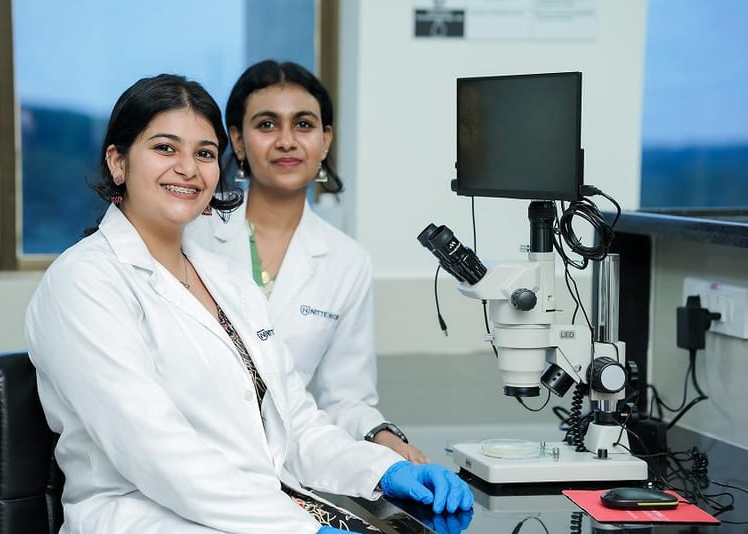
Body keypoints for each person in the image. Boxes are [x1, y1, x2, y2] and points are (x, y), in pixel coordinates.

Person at [25, 73, 473, 534]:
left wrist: (384, 469)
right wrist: (303, 531)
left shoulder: (226, 281)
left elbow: (294, 423)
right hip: (148, 517)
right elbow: (155, 450)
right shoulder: (84, 282)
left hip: (257, 508)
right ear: (118, 162)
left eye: (204, 153)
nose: (187, 168)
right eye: (165, 148)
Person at [186, 60, 428, 464]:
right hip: (191, 447)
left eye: (303, 124)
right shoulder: (193, 229)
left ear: (325, 139)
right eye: (267, 125)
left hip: (286, 460)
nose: (287, 141)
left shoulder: (346, 262)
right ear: (238, 140)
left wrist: (382, 437)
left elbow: (345, 397)